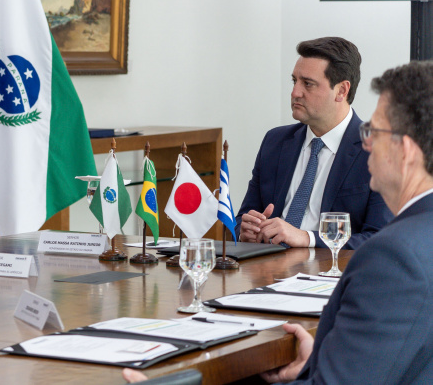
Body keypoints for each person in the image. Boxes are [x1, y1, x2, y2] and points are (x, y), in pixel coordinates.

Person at [125, 60, 433, 384]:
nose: (366, 142)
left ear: (407, 151)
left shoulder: (392, 260)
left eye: (374, 131)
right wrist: (320, 358)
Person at [236, 37, 391, 249]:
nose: (295, 92)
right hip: (269, 269)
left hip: (332, 273)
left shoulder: (380, 150)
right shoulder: (275, 141)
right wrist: (247, 231)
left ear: (342, 91)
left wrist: (307, 238)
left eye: (307, 84)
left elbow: (379, 240)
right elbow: (241, 220)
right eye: (294, 81)